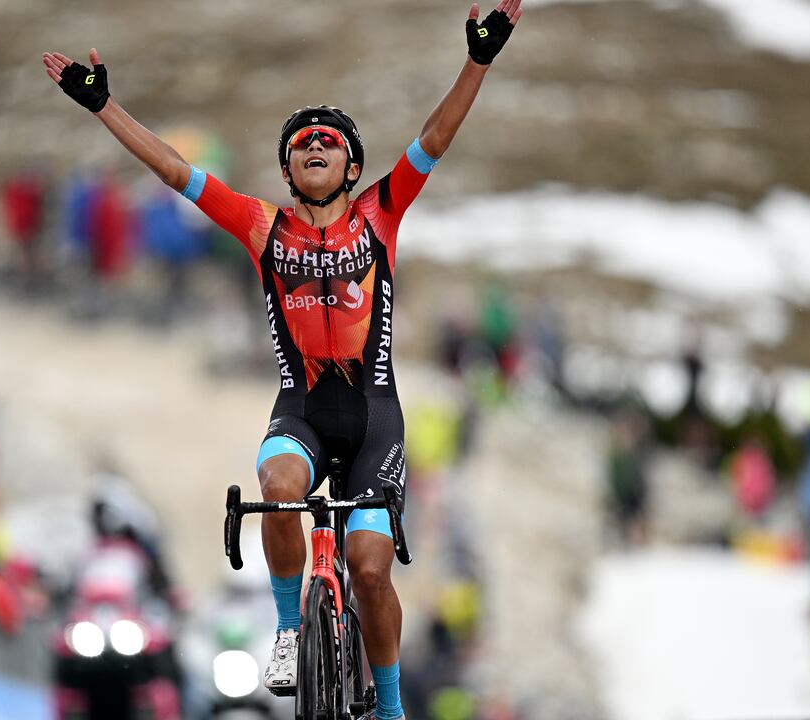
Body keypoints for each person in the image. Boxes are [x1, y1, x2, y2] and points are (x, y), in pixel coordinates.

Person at [43, 3, 522, 716]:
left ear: (353, 165)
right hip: (301, 408)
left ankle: (388, 704)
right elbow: (177, 171)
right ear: (289, 167)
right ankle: (291, 629)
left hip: (374, 418)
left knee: (367, 569)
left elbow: (435, 137)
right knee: (276, 482)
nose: (315, 146)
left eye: (330, 140)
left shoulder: (382, 212)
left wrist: (479, 60)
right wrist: (105, 106)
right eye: (302, 142)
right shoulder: (261, 226)